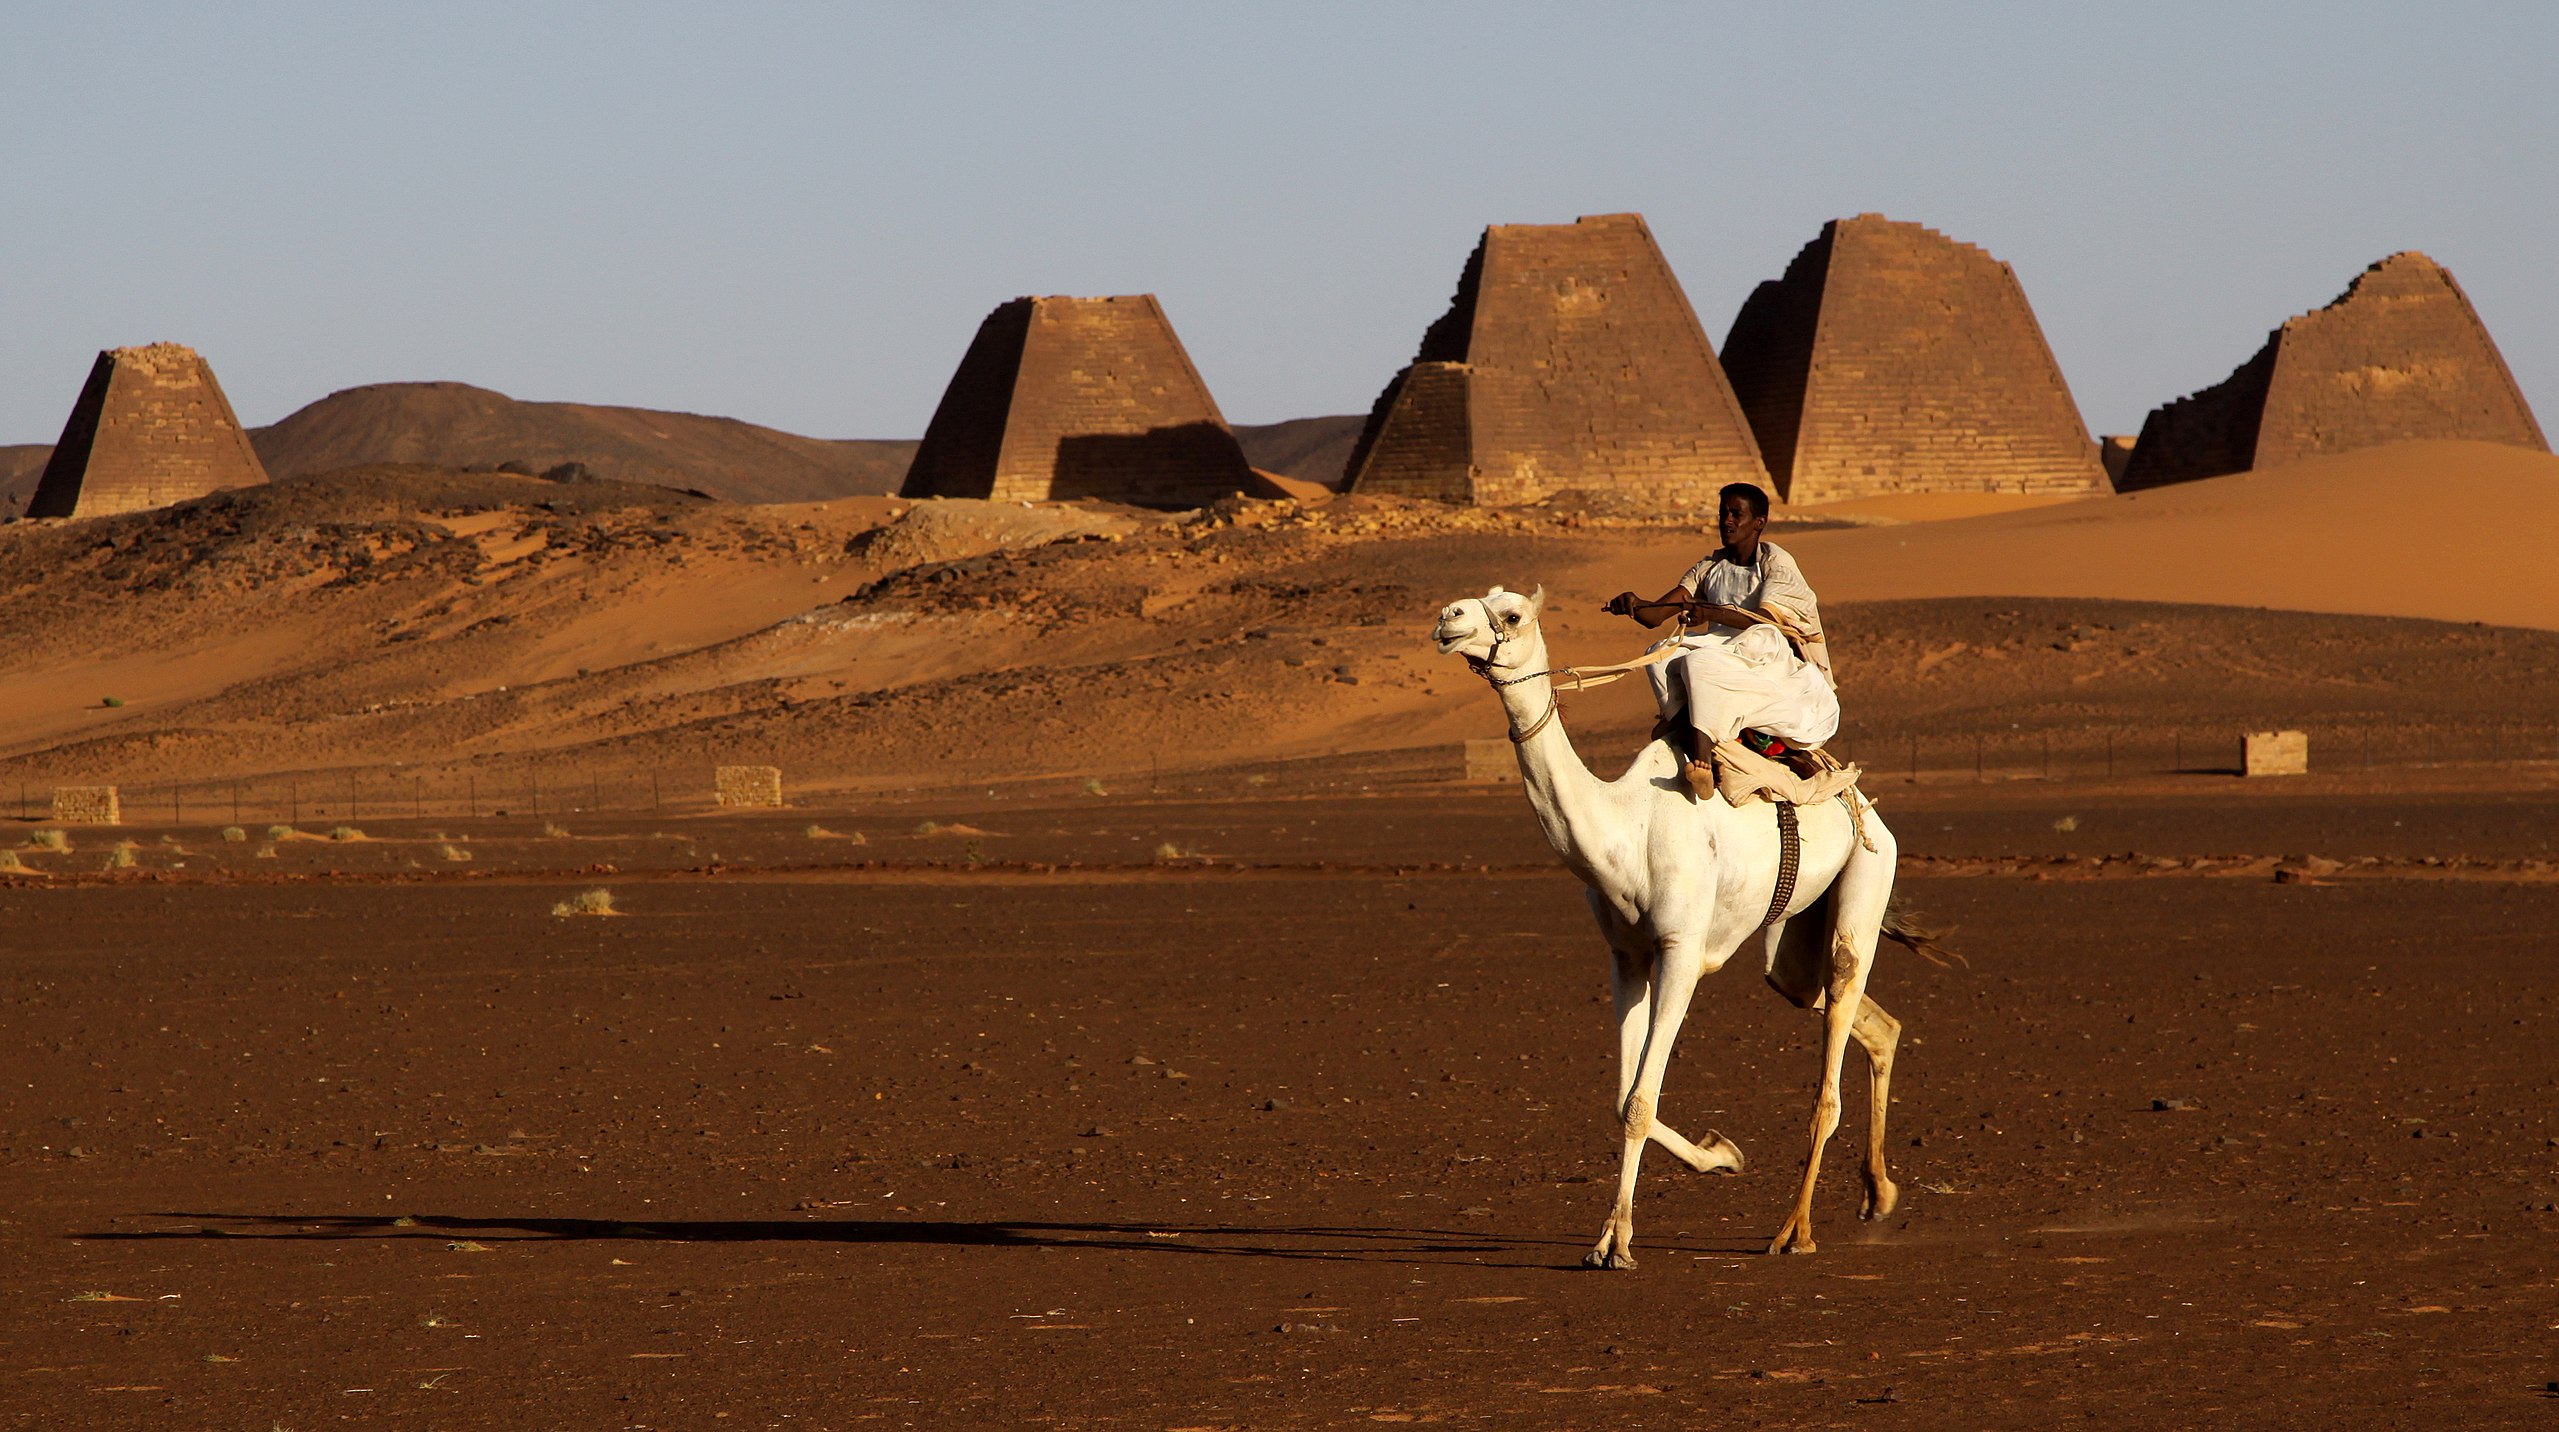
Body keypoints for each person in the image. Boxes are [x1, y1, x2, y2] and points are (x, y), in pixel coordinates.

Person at [1604, 482, 1838, 790]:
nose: (1726, 521)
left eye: (1736, 514)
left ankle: (1703, 758)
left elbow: (1765, 620)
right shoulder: (1709, 567)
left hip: (1763, 654)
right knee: (1660, 654)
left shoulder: (1775, 563)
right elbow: (1656, 615)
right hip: (1720, 650)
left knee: (1702, 661)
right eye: (1723, 513)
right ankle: (1693, 734)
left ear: (1759, 522)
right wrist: (1634, 605)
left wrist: (1712, 613)